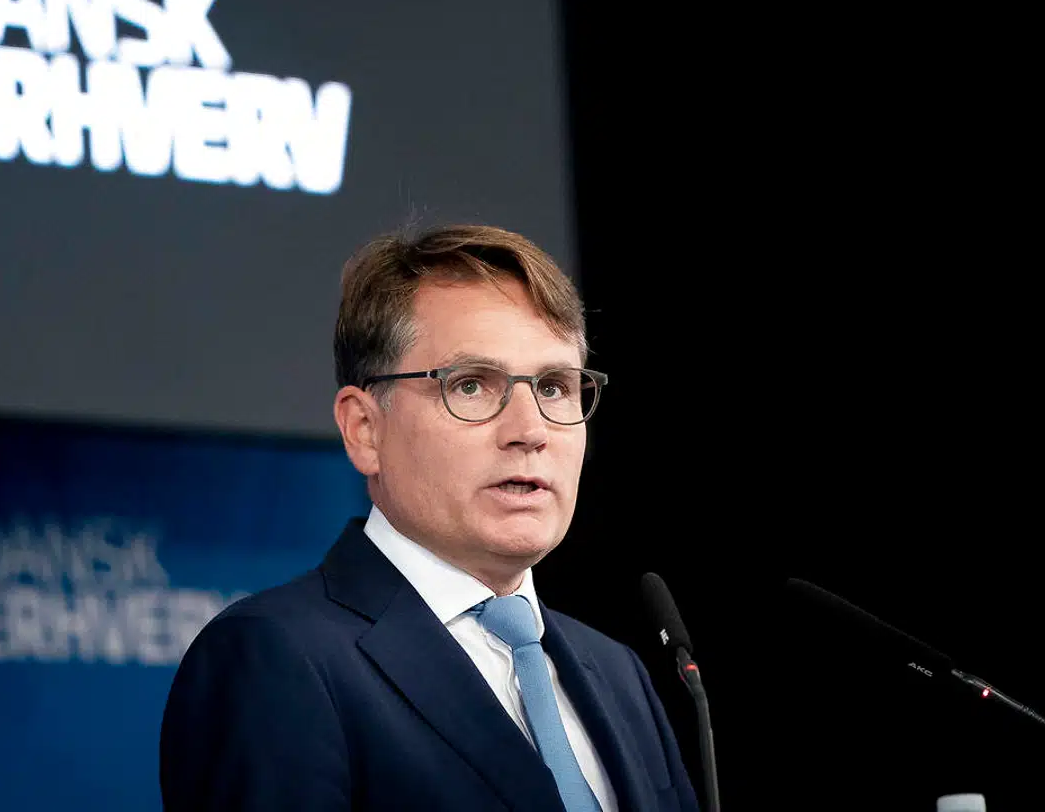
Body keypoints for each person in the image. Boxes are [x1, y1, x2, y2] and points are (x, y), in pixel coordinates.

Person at [160, 225, 699, 812]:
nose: (531, 431)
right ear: (365, 430)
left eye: (554, 387)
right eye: (470, 386)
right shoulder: (275, 658)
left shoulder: (620, 675)